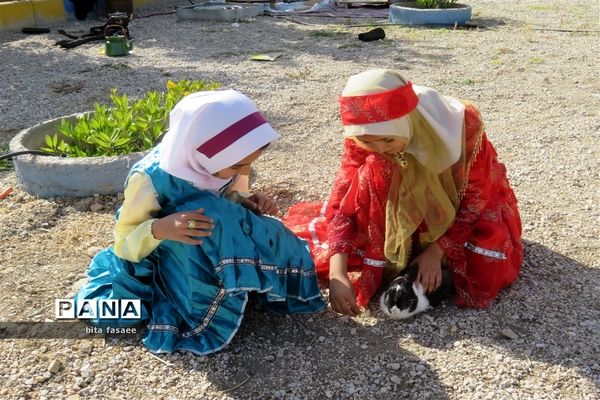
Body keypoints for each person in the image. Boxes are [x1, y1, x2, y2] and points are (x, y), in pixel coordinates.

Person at [76, 89, 325, 354]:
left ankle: (242, 283)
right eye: (239, 166)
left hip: (204, 232)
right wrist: (161, 228)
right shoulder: (150, 179)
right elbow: (124, 241)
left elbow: (225, 192)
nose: (245, 172)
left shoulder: (217, 160)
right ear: (203, 154)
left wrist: (245, 199)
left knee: (271, 231)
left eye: (248, 165)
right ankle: (201, 300)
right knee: (210, 219)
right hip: (167, 251)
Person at [284, 69, 522, 316]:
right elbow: (342, 198)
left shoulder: (459, 126)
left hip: (457, 206)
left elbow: (476, 198)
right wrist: (337, 273)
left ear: (409, 121)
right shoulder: (365, 132)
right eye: (368, 142)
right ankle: (418, 265)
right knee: (369, 172)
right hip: (396, 206)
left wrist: (436, 251)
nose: (378, 149)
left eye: (388, 140)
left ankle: (430, 260)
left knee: (484, 262)